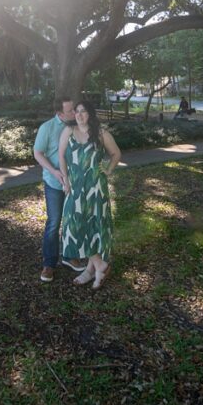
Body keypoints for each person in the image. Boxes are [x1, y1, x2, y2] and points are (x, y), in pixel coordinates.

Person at [57, 100, 121, 289]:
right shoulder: (68, 131)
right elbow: (61, 156)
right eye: (77, 111)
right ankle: (100, 264)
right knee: (74, 225)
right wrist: (66, 181)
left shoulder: (101, 133)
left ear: (90, 114)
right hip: (75, 187)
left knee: (94, 225)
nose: (80, 115)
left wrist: (108, 170)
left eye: (84, 111)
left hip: (96, 188)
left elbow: (116, 154)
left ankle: (91, 270)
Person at [33, 98, 85, 282]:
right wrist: (54, 171)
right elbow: (37, 153)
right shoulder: (47, 128)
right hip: (55, 183)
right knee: (54, 223)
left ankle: (70, 256)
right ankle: (49, 264)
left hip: (76, 183)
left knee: (73, 220)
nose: (75, 113)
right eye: (71, 110)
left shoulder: (78, 126)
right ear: (60, 113)